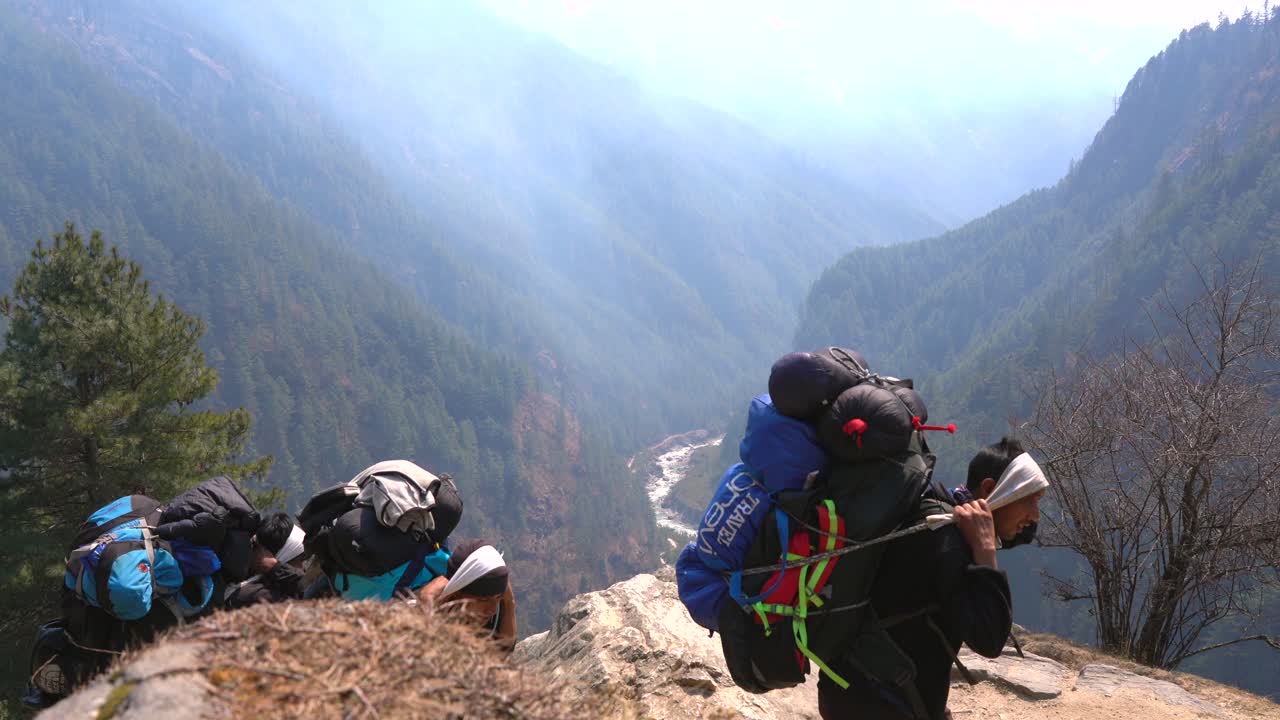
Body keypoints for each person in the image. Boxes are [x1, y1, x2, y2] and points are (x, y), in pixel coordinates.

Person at [818, 437, 1047, 720]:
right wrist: (985, 550)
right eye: (1030, 501)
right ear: (988, 489)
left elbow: (1018, 532)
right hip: (877, 702)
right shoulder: (944, 539)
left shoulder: (937, 509)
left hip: (859, 689)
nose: (1035, 516)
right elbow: (990, 639)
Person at [419, 540, 518, 652]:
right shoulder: (423, 610)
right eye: (483, 599)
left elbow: (505, 648)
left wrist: (509, 602)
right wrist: (426, 601)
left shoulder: (484, 615)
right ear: (457, 591)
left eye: (499, 598)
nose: (492, 610)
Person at [224, 513, 308, 609]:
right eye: (300, 560)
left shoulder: (273, 583)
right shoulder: (256, 595)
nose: (303, 567)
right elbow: (311, 602)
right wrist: (276, 568)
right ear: (279, 557)